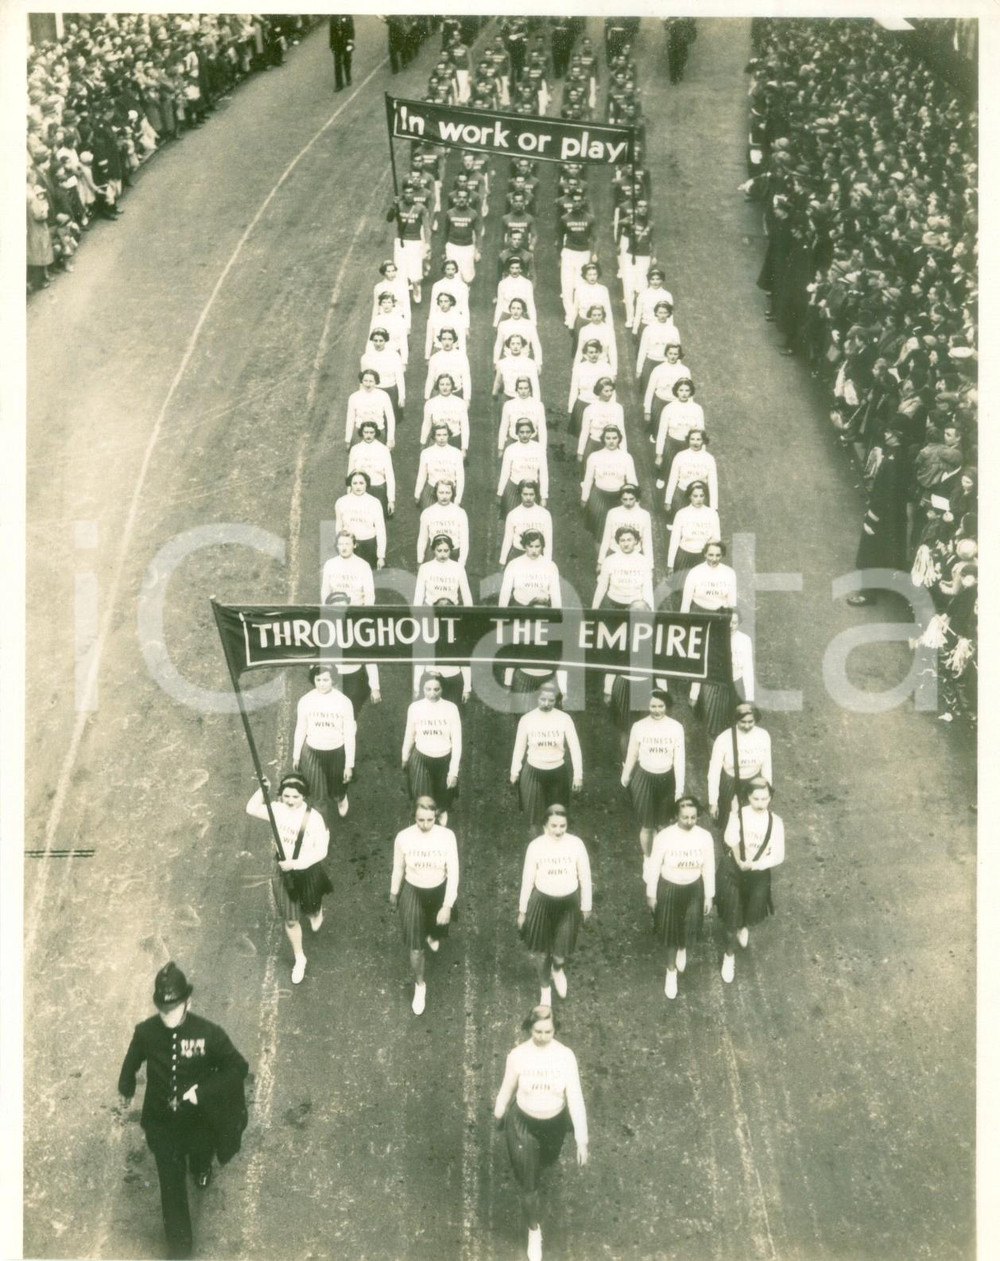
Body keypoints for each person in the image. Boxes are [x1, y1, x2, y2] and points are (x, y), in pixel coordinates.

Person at [117, 963, 249, 1261]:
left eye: (174, 1008)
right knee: (171, 1187)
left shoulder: (208, 1034)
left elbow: (237, 1067)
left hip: (199, 1120)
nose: (168, 1016)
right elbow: (132, 1060)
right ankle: (180, 1250)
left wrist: (202, 1091)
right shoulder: (146, 1032)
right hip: (162, 1125)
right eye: (163, 1010)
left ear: (188, 1002)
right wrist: (126, 1086)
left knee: (201, 1152)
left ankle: (202, 1167)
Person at [493, 1004, 588, 1261]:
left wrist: (581, 1139)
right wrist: (499, 1113)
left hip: (555, 1124)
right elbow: (507, 1088)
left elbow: (575, 1097)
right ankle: (533, 1230)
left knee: (547, 1161)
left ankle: (537, 1165)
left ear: (555, 1029)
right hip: (523, 1123)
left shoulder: (566, 1057)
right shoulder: (518, 1056)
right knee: (529, 1185)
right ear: (529, 1028)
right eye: (538, 1031)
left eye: (548, 1031)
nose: (543, 1036)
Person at [246, 773, 332, 984]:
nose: (291, 801)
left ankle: (315, 910)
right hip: (282, 872)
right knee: (291, 918)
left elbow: (321, 851)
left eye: (296, 796)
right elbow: (251, 809)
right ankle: (299, 957)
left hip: (307, 870)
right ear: (281, 795)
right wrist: (262, 789)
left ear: (304, 796)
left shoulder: (314, 819)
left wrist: (296, 864)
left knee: (311, 906)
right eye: (286, 796)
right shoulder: (277, 810)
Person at [389, 796, 460, 1014]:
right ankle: (420, 985)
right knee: (416, 946)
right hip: (413, 892)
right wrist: (394, 892)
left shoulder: (447, 837)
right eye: (421, 820)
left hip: (438, 891)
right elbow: (399, 868)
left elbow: (454, 873)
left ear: (436, 817)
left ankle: (434, 933)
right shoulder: (403, 837)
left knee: (436, 928)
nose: (425, 825)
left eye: (430, 820)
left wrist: (447, 905)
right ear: (414, 817)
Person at [518, 804, 592, 1004]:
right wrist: (522, 911)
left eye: (562, 826)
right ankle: (545, 989)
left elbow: (585, 876)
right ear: (545, 826)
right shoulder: (535, 847)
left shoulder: (576, 844)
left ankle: (557, 970)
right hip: (541, 904)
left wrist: (586, 905)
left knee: (560, 954)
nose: (558, 830)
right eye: (554, 826)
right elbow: (527, 880)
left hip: (568, 905)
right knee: (541, 953)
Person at [645, 796, 715, 999]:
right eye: (685, 817)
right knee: (669, 930)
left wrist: (709, 896)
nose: (689, 821)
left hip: (694, 888)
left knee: (690, 924)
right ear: (676, 815)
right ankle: (670, 971)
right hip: (669, 888)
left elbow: (708, 867)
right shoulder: (665, 836)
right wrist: (651, 893)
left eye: (693, 817)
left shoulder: (704, 837)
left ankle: (683, 948)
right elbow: (654, 865)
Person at [716, 778, 784, 983]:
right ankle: (729, 956)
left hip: (757, 873)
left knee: (748, 908)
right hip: (733, 870)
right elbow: (730, 839)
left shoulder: (776, 822)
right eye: (756, 798)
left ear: (770, 797)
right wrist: (739, 861)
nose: (760, 803)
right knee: (731, 916)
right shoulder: (740, 814)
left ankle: (743, 924)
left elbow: (778, 855)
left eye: (765, 798)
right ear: (748, 797)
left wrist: (754, 865)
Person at [510, 681, 583, 836]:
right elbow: (519, 748)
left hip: (557, 773)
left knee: (556, 819)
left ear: (556, 701)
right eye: (543, 699)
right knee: (534, 821)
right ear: (537, 697)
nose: (546, 703)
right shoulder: (527, 719)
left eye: (551, 700)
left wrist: (578, 776)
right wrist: (515, 771)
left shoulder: (564, 719)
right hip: (532, 774)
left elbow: (575, 747)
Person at [621, 690, 686, 862]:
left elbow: (679, 760)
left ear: (667, 706)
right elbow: (632, 755)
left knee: (665, 824)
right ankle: (649, 859)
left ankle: (663, 858)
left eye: (661, 706)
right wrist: (626, 776)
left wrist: (679, 790)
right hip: (644, 779)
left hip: (666, 779)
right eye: (653, 706)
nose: (656, 710)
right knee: (647, 825)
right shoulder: (639, 726)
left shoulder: (676, 727)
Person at [292, 664, 356, 824]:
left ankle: (341, 797)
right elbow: (301, 728)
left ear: (333, 679)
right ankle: (322, 830)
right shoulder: (306, 700)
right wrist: (296, 755)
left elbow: (349, 734)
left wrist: (349, 764)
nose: (321, 683)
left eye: (325, 679)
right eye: (318, 679)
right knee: (317, 794)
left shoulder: (344, 702)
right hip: (312, 752)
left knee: (337, 786)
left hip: (336, 751)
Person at [401, 672, 463, 824]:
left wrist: (453, 772)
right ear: (422, 688)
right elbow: (409, 734)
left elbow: (457, 742)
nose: (432, 693)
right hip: (421, 759)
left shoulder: (451, 708)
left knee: (442, 800)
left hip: (444, 759)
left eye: (436, 689)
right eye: (428, 689)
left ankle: (441, 816)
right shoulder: (415, 708)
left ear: (443, 689)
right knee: (423, 798)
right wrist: (404, 756)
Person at [689, 608, 755, 739]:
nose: (731, 626)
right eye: (728, 622)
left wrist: (749, 697)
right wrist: (694, 693)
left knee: (735, 723)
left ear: (739, 623)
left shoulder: (744, 640)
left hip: (736, 684)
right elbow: (700, 667)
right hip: (714, 684)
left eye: (735, 622)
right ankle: (714, 757)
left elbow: (748, 669)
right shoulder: (710, 637)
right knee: (712, 726)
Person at [707, 703, 773, 826]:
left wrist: (766, 791)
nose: (747, 726)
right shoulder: (724, 738)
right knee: (729, 818)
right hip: (730, 783)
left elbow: (767, 766)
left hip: (754, 781)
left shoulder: (763, 736)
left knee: (751, 818)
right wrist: (713, 801)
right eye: (743, 721)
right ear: (736, 719)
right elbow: (714, 772)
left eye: (750, 721)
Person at [322, 592, 383, 714]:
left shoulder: (359, 627)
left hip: (355, 678)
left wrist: (375, 687)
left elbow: (369, 657)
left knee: (351, 714)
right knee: (332, 714)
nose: (340, 610)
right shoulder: (323, 628)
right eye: (336, 606)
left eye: (343, 606)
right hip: (333, 678)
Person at [581, 426, 638, 539]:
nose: (611, 441)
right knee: (599, 533)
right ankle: (600, 557)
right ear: (603, 439)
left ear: (619, 439)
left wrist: (636, 502)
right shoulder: (594, 456)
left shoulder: (626, 457)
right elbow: (588, 479)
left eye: (614, 438)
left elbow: (632, 481)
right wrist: (584, 498)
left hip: (619, 498)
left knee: (619, 532)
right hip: (598, 497)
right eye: (608, 438)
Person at [334, 471, 387, 571]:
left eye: (361, 483)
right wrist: (341, 546)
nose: (358, 486)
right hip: (350, 545)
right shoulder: (341, 502)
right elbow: (339, 526)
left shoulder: (374, 502)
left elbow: (381, 529)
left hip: (369, 545)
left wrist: (381, 556)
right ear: (350, 484)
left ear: (367, 484)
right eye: (355, 483)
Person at [592, 526, 654, 609]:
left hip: (635, 606)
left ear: (636, 541)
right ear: (618, 542)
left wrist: (650, 612)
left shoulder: (644, 562)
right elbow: (601, 587)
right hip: (613, 604)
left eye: (629, 540)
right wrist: (594, 609)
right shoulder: (609, 560)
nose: (626, 544)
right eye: (622, 540)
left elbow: (648, 591)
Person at [666, 483, 720, 576]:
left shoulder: (712, 514)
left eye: (701, 496)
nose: (698, 499)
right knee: (681, 588)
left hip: (703, 558)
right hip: (684, 557)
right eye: (695, 496)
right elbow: (674, 541)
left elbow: (716, 538)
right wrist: (670, 565)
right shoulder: (681, 514)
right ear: (689, 496)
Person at [498, 419, 549, 515]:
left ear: (532, 433)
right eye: (522, 432)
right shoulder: (510, 449)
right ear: (517, 433)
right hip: (514, 489)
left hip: (532, 490)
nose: (525, 435)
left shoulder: (539, 449)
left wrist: (544, 496)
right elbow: (504, 474)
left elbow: (544, 474)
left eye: (528, 432)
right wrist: (500, 493)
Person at [661, 426, 716, 513]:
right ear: (688, 440)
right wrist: (668, 501)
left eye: (698, 439)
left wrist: (714, 507)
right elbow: (672, 480)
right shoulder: (680, 456)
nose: (695, 442)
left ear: (703, 441)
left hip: (700, 496)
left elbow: (713, 485)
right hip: (681, 495)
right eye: (692, 439)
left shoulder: (709, 459)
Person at [500, 531, 561, 607]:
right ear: (525, 546)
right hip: (520, 608)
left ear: (542, 546)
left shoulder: (551, 566)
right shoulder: (514, 564)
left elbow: (556, 597)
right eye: (530, 546)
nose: (534, 550)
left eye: (537, 546)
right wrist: (501, 614)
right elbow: (505, 593)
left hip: (542, 609)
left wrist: (556, 616)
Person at [597, 484, 652, 569]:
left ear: (636, 498)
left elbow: (647, 543)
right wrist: (600, 562)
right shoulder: (613, 513)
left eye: (631, 499)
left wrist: (650, 565)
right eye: (625, 499)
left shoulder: (644, 515)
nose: (628, 503)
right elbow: (606, 539)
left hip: (635, 556)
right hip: (615, 553)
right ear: (620, 499)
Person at [348, 420, 395, 518]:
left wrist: (391, 500)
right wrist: (349, 494)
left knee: (378, 521)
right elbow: (350, 474)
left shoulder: (383, 450)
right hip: (360, 490)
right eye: (366, 432)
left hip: (378, 489)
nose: (368, 435)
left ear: (376, 433)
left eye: (371, 432)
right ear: (361, 433)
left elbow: (390, 476)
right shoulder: (355, 449)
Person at [416, 478, 469, 564]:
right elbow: (422, 539)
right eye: (441, 492)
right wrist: (419, 560)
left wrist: (461, 564)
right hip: (434, 555)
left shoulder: (460, 513)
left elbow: (464, 542)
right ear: (435, 493)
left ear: (452, 493)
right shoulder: (427, 513)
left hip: (453, 555)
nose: (444, 496)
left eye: (448, 493)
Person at [499, 480, 553, 565]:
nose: (528, 498)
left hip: (537, 557)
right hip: (518, 555)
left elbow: (548, 542)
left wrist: (547, 563)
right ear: (520, 494)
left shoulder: (545, 515)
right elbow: (507, 539)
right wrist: (502, 561)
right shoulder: (513, 514)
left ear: (535, 494)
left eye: (531, 494)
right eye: (525, 494)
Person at [415, 423, 465, 508]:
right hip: (431, 490)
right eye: (438, 435)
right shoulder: (426, 453)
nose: (441, 438)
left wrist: (458, 498)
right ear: (434, 436)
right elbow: (421, 476)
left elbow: (460, 478)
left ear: (449, 435)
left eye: (445, 435)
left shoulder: (456, 453)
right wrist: (417, 493)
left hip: (449, 491)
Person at [414, 534, 473, 606]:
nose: (443, 554)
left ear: (450, 550)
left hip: (453, 611)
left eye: (446, 551)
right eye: (439, 550)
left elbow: (467, 597)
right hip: (431, 612)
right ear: (433, 550)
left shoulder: (458, 568)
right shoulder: (424, 568)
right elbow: (418, 597)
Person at [680, 539, 737, 613]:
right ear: (705, 554)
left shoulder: (729, 572)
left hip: (720, 614)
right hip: (698, 612)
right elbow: (686, 601)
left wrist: (734, 616)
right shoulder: (695, 572)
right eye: (711, 555)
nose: (714, 559)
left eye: (718, 555)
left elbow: (732, 599)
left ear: (722, 555)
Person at [345, 368, 395, 450]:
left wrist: (390, 438)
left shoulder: (383, 396)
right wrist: (348, 439)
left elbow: (390, 418)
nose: (368, 384)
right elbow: (350, 419)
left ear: (376, 382)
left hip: (378, 432)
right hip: (359, 433)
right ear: (361, 381)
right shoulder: (354, 397)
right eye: (365, 380)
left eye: (371, 381)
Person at [320, 530, 375, 606]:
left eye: (347, 544)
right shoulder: (330, 564)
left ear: (354, 545)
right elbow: (325, 591)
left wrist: (365, 613)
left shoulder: (363, 565)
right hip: (336, 610)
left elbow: (369, 595)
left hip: (357, 611)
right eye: (341, 544)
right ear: (337, 546)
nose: (344, 548)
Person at [421, 373, 470, 455]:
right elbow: (426, 425)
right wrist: (422, 443)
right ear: (438, 386)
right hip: (436, 442)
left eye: (448, 384)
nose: (445, 387)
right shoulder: (430, 403)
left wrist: (464, 448)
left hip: (455, 441)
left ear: (452, 386)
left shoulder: (460, 403)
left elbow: (465, 427)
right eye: (442, 384)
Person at [498, 376, 548, 452]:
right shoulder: (508, 405)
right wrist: (500, 447)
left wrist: (543, 450)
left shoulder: (538, 405)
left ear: (530, 389)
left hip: (532, 442)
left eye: (526, 388)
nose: (523, 391)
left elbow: (542, 429)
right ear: (516, 389)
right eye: (520, 388)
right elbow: (503, 427)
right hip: (513, 441)